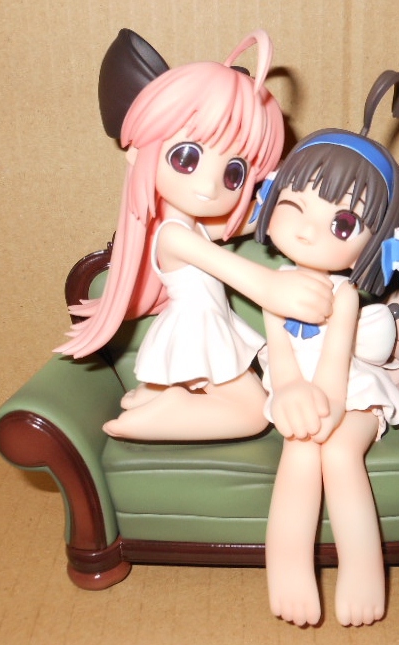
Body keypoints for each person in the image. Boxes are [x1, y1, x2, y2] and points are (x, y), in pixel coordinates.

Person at [55, 29, 334, 440]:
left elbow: (244, 223)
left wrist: (288, 201)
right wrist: (274, 288)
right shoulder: (172, 235)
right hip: (197, 328)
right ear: (139, 151)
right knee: (254, 413)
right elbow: (231, 268)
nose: (209, 186)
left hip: (203, 324)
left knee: (246, 402)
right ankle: (153, 417)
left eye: (234, 173)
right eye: (186, 158)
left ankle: (155, 395)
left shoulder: (190, 225)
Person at [254, 70, 399, 627]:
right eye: (294, 204)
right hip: (297, 391)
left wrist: (324, 406)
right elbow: (278, 352)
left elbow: (338, 361)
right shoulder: (274, 285)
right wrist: (289, 392)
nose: (307, 231)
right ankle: (287, 570)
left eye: (342, 223)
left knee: (340, 454)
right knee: (299, 454)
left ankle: (364, 572)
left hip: (350, 391)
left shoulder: (345, 295)